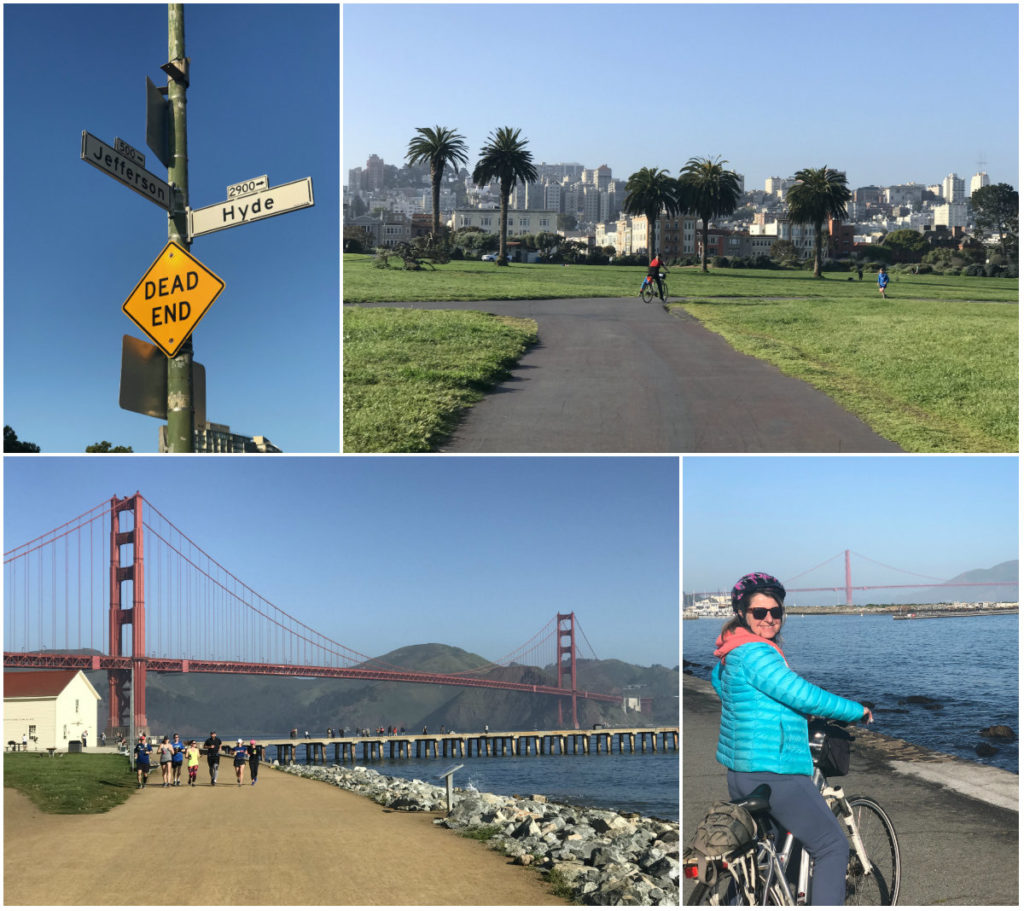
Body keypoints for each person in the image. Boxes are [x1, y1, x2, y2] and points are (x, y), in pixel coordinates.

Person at [711, 571, 873, 907]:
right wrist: (856, 711)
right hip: (775, 771)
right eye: (760, 612)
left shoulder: (730, 651)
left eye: (776, 612)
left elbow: (732, 692)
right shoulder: (756, 652)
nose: (770, 619)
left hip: (741, 773)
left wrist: (787, 713)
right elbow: (802, 694)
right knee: (832, 846)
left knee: (769, 855)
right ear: (741, 613)